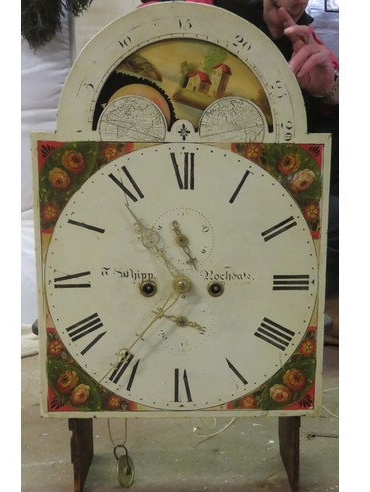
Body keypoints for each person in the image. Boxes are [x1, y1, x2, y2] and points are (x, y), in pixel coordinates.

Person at [140, 0, 339, 332]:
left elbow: (326, 171)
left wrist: (327, 93)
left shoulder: (310, 44)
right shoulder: (190, 13)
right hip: (172, 204)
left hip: (261, 209)